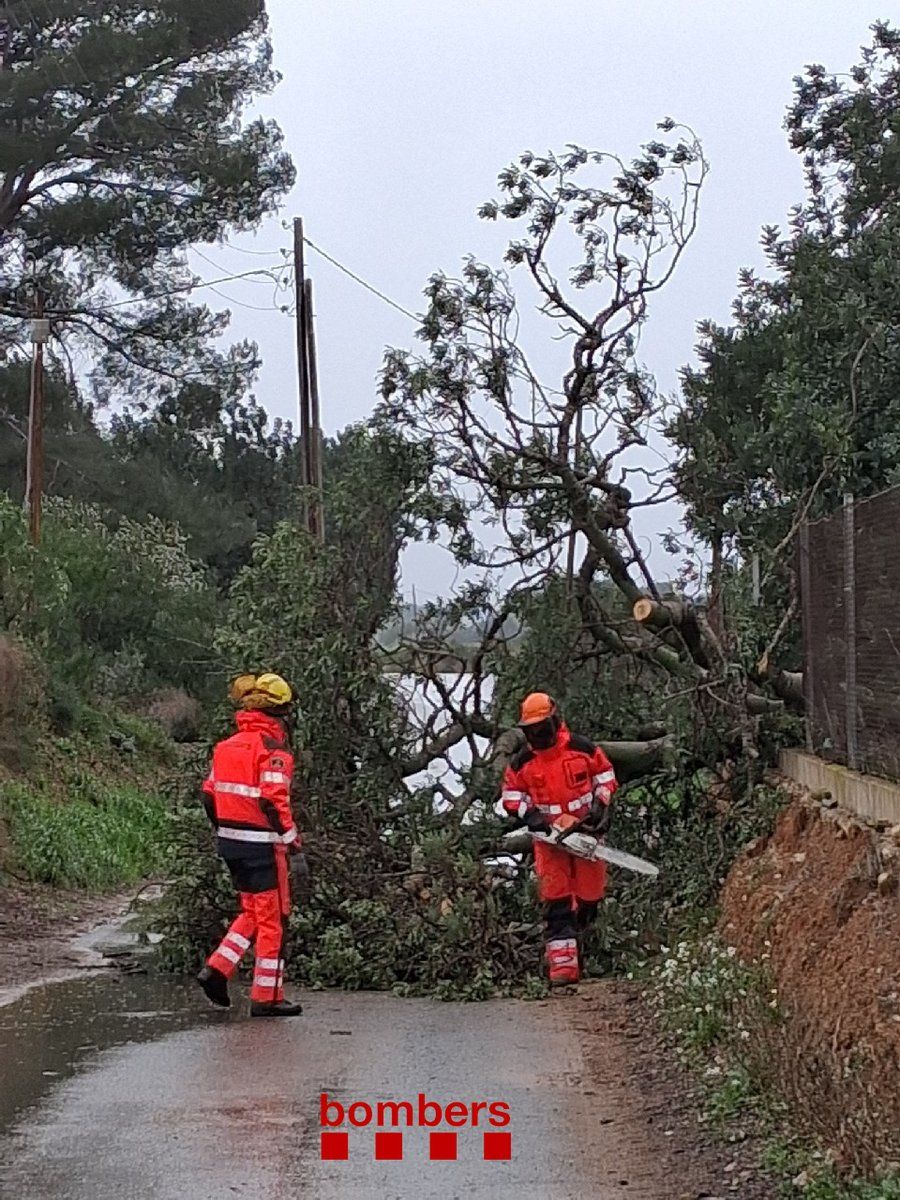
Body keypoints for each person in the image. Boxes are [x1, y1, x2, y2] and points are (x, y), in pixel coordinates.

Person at [196, 673, 305, 1017]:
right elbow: (274, 802)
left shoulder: (226, 747)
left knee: (253, 912)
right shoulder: (272, 750)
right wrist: (293, 845)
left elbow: (208, 794)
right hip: (262, 847)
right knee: (274, 919)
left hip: (231, 844)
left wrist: (225, 830)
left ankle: (216, 970)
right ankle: (267, 997)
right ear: (280, 714)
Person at [500, 692, 618, 986]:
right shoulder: (522, 762)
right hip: (550, 839)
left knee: (590, 895)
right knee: (557, 898)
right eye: (532, 730)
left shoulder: (582, 749)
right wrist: (530, 815)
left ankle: (586, 948)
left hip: (586, 833)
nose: (539, 735)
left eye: (543, 728)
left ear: (555, 721)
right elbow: (511, 795)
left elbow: (605, 774)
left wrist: (600, 803)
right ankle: (563, 968)